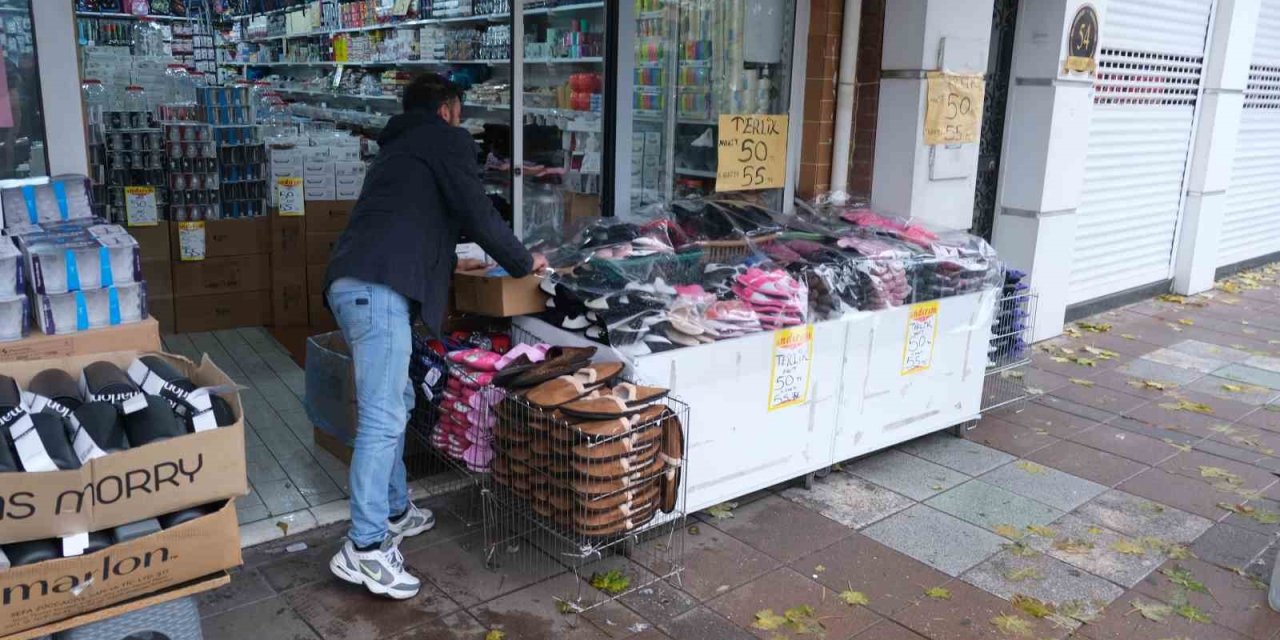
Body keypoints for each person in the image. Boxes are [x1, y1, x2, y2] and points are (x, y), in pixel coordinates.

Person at [323, 73, 547, 599]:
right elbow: (477, 211)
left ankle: (395, 509)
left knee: (397, 400)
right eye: (460, 112)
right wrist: (523, 262)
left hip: (354, 284)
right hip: (378, 291)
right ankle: (365, 547)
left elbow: (418, 220)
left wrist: (453, 260)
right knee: (382, 418)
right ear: (447, 110)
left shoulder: (396, 148)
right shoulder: (444, 140)